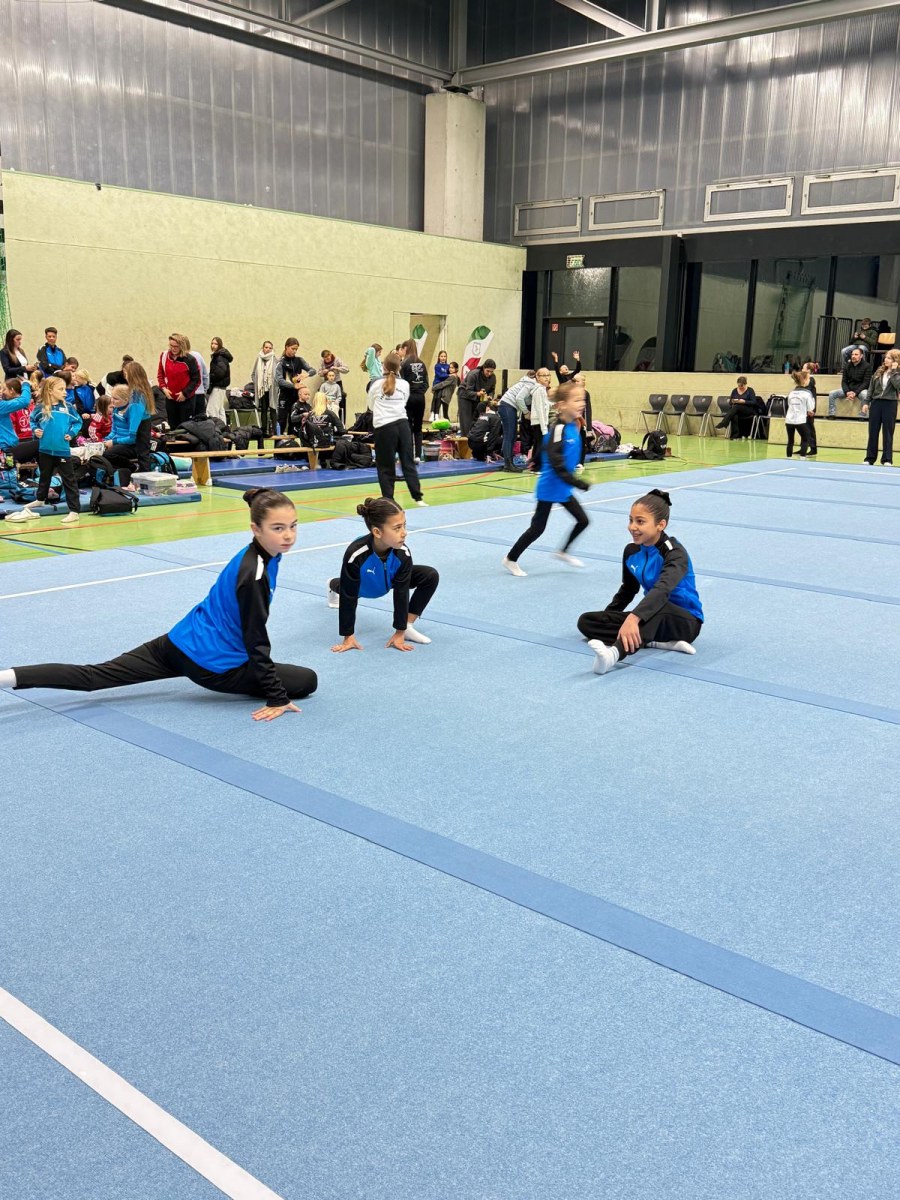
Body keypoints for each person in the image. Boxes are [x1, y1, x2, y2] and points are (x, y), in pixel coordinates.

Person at [2, 489, 316, 721]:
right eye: (278, 528)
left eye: (293, 526)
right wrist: (277, 696)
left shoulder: (257, 554)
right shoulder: (255, 573)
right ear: (255, 529)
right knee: (306, 680)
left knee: (94, 676)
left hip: (177, 644)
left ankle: (6, 676)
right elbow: (255, 638)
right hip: (214, 667)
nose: (288, 536)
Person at [578, 489, 703, 675]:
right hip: (650, 614)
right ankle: (654, 641)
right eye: (631, 520)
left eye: (640, 521)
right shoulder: (632, 551)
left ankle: (613, 655)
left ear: (660, 525)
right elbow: (628, 589)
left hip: (685, 622)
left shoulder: (675, 553)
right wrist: (607, 618)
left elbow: (662, 590)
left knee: (660, 608)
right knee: (586, 621)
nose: (632, 527)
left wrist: (633, 618)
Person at [502, 380, 591, 577]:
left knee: (583, 520)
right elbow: (557, 462)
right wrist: (578, 482)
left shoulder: (572, 425)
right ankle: (510, 559)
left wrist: (535, 460)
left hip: (563, 487)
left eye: (582, 400)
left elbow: (545, 446)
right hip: (551, 486)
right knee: (537, 528)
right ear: (562, 405)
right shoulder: (559, 429)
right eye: (577, 400)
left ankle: (563, 552)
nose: (582, 403)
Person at [328, 496, 439, 652]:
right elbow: (349, 596)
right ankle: (332, 585)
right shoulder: (356, 554)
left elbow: (401, 592)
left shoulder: (403, 553)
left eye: (404, 525)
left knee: (430, 575)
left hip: (389, 580)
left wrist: (400, 631)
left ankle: (408, 625)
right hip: (363, 586)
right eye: (397, 528)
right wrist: (348, 636)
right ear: (377, 532)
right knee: (344, 588)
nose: (404, 533)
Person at [6, 375, 82, 524]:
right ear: (50, 390)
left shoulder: (68, 408)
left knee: (69, 480)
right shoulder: (40, 408)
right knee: (44, 476)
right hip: (45, 450)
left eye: (65, 389)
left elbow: (77, 422)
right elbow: (32, 421)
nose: (65, 392)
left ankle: (74, 510)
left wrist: (72, 433)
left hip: (62, 451)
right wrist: (36, 430)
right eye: (61, 389)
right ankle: (40, 499)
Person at [367, 353, 426, 506]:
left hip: (384, 427)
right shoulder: (405, 384)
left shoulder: (375, 384)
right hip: (402, 426)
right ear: (399, 368)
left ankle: (389, 500)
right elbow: (404, 402)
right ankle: (418, 498)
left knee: (385, 466)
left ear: (384, 367)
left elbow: (371, 406)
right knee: (408, 462)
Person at [864, 347, 900, 466]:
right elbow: (871, 388)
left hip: (890, 403)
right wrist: (866, 402)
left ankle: (887, 459)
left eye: (889, 358)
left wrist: (894, 371)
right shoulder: (879, 371)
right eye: (886, 357)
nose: (886, 360)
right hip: (876, 403)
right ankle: (870, 458)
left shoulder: (897, 373)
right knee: (873, 431)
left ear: (895, 360)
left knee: (888, 432)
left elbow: (898, 386)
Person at [497, 372, 539, 473]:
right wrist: (526, 412)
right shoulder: (530, 384)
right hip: (507, 406)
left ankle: (509, 463)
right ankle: (508, 464)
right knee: (509, 435)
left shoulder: (533, 385)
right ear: (537, 377)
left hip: (509, 406)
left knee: (513, 435)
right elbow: (519, 398)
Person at [158, 333, 200, 429]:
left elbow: (196, 380)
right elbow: (160, 375)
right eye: (171, 346)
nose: (173, 349)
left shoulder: (190, 360)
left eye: (176, 346)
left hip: (186, 400)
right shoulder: (164, 356)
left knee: (185, 428)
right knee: (173, 428)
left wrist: (185, 393)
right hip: (170, 399)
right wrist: (164, 388)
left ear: (182, 346)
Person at [275, 339, 315, 433]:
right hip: (284, 395)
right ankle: (278, 441)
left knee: (293, 420)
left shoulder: (299, 360)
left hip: (296, 395)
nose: (294, 351)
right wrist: (294, 386)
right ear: (286, 347)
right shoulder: (280, 362)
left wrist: (306, 374)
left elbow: (313, 370)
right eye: (293, 349)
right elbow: (279, 380)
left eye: (296, 349)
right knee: (282, 419)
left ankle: (292, 441)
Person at [400, 340, 429, 462]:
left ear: (406, 348)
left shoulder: (404, 364)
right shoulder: (422, 363)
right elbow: (426, 382)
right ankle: (418, 455)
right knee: (418, 427)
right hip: (420, 398)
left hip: (409, 397)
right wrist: (420, 391)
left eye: (402, 349)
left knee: (408, 427)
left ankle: (408, 455)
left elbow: (401, 382)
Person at [1, 377, 40, 464]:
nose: (2, 392)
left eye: (3, 389)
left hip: (10, 449)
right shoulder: (2, 406)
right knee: (42, 444)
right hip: (6, 452)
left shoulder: (3, 405)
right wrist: (26, 384)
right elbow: (24, 401)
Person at [456, 358, 496, 436]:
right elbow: (468, 391)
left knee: (476, 418)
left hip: (477, 397)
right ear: (483, 368)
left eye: (491, 371)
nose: (489, 373)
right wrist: (477, 393)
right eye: (488, 371)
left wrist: (490, 396)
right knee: (466, 421)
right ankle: (466, 438)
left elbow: (492, 390)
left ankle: (474, 438)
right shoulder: (473, 374)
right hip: (464, 396)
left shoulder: (493, 377)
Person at [828, 348, 872, 418]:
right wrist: (847, 392)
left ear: (861, 356)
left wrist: (855, 393)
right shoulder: (847, 366)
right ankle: (831, 414)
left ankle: (863, 415)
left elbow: (866, 383)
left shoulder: (867, 366)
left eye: (856, 354)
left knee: (865, 395)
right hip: (849, 389)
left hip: (860, 390)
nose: (853, 356)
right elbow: (844, 381)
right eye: (852, 354)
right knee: (832, 393)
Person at [526, 367, 553, 473]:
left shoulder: (542, 389)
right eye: (543, 375)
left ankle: (534, 465)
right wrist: (544, 427)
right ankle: (536, 465)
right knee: (541, 444)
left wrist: (553, 404)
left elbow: (545, 404)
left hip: (541, 422)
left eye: (548, 375)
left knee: (538, 444)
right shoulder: (539, 390)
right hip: (539, 422)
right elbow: (540, 409)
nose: (546, 378)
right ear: (537, 377)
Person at [785, 367, 814, 458]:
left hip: (789, 420)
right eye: (808, 379)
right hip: (800, 421)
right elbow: (810, 408)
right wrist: (810, 412)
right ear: (804, 381)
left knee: (790, 441)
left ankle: (788, 458)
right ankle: (802, 459)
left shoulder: (791, 393)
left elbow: (789, 405)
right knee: (805, 439)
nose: (809, 380)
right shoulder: (807, 393)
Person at [251, 340, 278, 438]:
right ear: (263, 348)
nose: (268, 349)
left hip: (272, 389)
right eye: (266, 347)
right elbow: (253, 374)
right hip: (262, 389)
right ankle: (263, 430)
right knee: (263, 409)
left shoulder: (275, 359)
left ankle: (274, 431)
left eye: (270, 348)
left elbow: (278, 374)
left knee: (273, 408)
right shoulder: (258, 359)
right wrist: (257, 383)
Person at [207, 337, 233, 422]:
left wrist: (210, 377)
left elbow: (220, 373)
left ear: (220, 345)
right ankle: (223, 427)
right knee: (220, 410)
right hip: (221, 387)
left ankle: (215, 428)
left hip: (217, 387)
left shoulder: (219, 357)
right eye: (212, 343)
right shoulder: (221, 356)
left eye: (216, 344)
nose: (213, 345)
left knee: (212, 410)